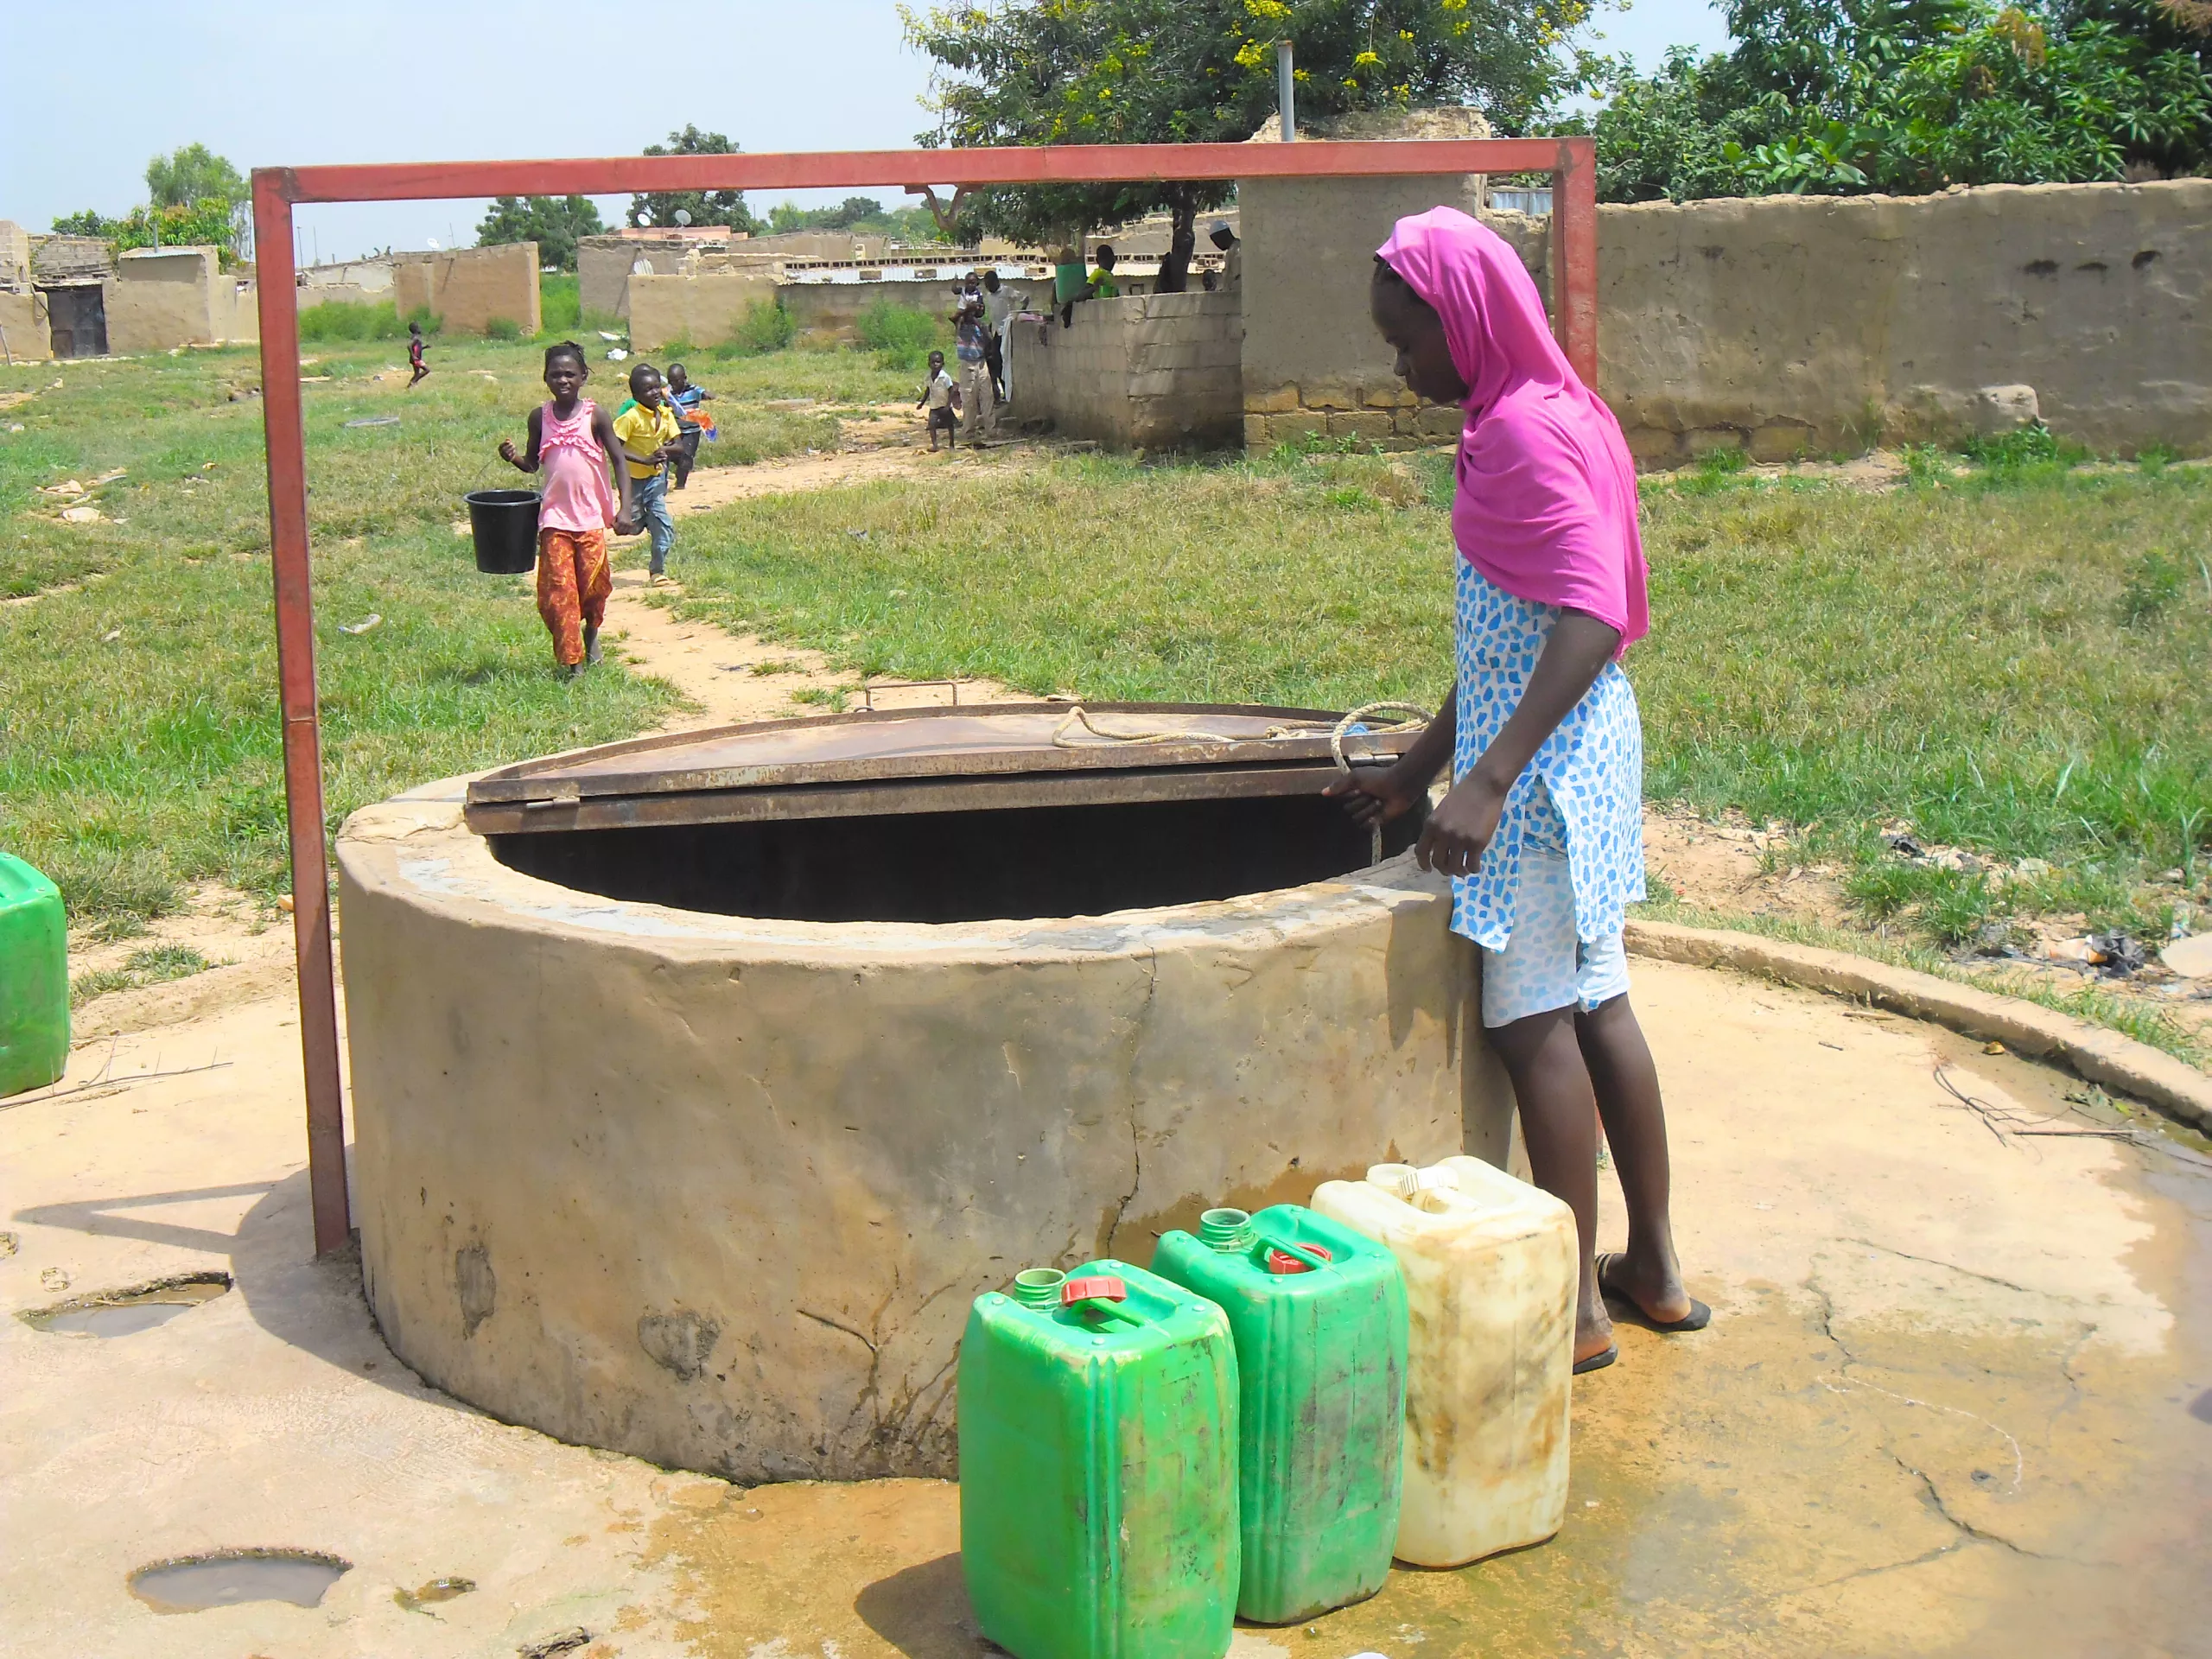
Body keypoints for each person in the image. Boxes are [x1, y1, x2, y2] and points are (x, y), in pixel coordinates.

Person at [1326, 207, 1707, 1376]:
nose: (1400, 368)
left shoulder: (1520, 436)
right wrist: (1422, 764)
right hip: (1579, 754)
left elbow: (1590, 615)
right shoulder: (1553, 408)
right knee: (1603, 1005)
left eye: (1407, 342)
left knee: (1531, 1021)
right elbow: (1510, 632)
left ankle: (1574, 1310)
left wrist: (1487, 780)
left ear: (1466, 320)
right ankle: (1652, 1271)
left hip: (1540, 780)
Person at [496, 340, 635, 678]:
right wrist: (513, 458)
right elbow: (533, 463)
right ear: (545, 378)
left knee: (594, 587)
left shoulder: (595, 416)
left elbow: (619, 460)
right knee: (560, 593)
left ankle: (592, 632)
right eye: (555, 374)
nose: (563, 380)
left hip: (589, 519)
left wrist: (625, 508)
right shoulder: (539, 418)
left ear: (583, 377)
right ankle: (574, 665)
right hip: (554, 520)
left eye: (570, 374)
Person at [612, 363, 684, 583]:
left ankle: (657, 571)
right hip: (632, 480)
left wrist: (664, 450)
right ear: (636, 396)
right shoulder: (631, 417)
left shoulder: (666, 414)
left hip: (656, 478)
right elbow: (614, 448)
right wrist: (644, 459)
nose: (654, 393)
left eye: (656, 387)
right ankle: (638, 521)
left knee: (663, 525)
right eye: (647, 390)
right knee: (630, 527)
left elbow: (679, 446)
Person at [664, 362, 714, 489]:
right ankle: (663, 482)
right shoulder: (668, 393)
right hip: (675, 430)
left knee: (686, 457)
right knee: (667, 454)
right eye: (671, 381)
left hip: (692, 432)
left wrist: (708, 395)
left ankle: (680, 485)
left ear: (685, 379)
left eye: (676, 381)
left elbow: (705, 393)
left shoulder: (693, 390)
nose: (674, 384)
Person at [954, 302, 996, 442]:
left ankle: (991, 431)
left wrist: (977, 323)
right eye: (976, 308)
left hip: (981, 363)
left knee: (987, 397)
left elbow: (989, 340)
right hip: (967, 364)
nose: (979, 310)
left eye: (981, 308)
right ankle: (969, 432)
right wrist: (967, 311)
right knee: (969, 399)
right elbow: (953, 318)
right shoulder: (960, 324)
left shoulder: (982, 325)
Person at [979, 270, 1014, 402]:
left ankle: (1009, 394)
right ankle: (1004, 393)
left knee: (1006, 363)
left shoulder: (1007, 291)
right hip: (995, 332)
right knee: (997, 364)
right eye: (986, 285)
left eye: (989, 284)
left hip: (1007, 331)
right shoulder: (989, 296)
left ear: (996, 282)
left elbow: (1024, 299)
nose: (988, 287)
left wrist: (1016, 316)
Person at [917, 349, 959, 450]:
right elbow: (928, 390)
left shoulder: (945, 377)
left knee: (950, 425)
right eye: (933, 362)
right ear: (929, 364)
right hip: (934, 406)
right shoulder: (928, 377)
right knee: (931, 425)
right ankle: (935, 445)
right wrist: (922, 403)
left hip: (944, 406)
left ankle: (952, 444)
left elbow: (951, 391)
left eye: (938, 362)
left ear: (942, 364)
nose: (935, 364)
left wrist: (948, 405)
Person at [1210, 220, 1242, 290]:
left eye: (1215, 240)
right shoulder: (1231, 251)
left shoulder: (1237, 251)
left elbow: (1237, 278)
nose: (1216, 244)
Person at [406, 321, 429, 389]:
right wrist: (413, 356)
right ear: (416, 329)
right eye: (418, 327)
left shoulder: (415, 337)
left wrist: (424, 347)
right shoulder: (416, 338)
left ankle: (409, 387)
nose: (420, 328)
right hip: (416, 359)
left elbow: (417, 348)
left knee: (416, 374)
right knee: (427, 370)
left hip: (415, 358)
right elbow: (409, 346)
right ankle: (413, 382)